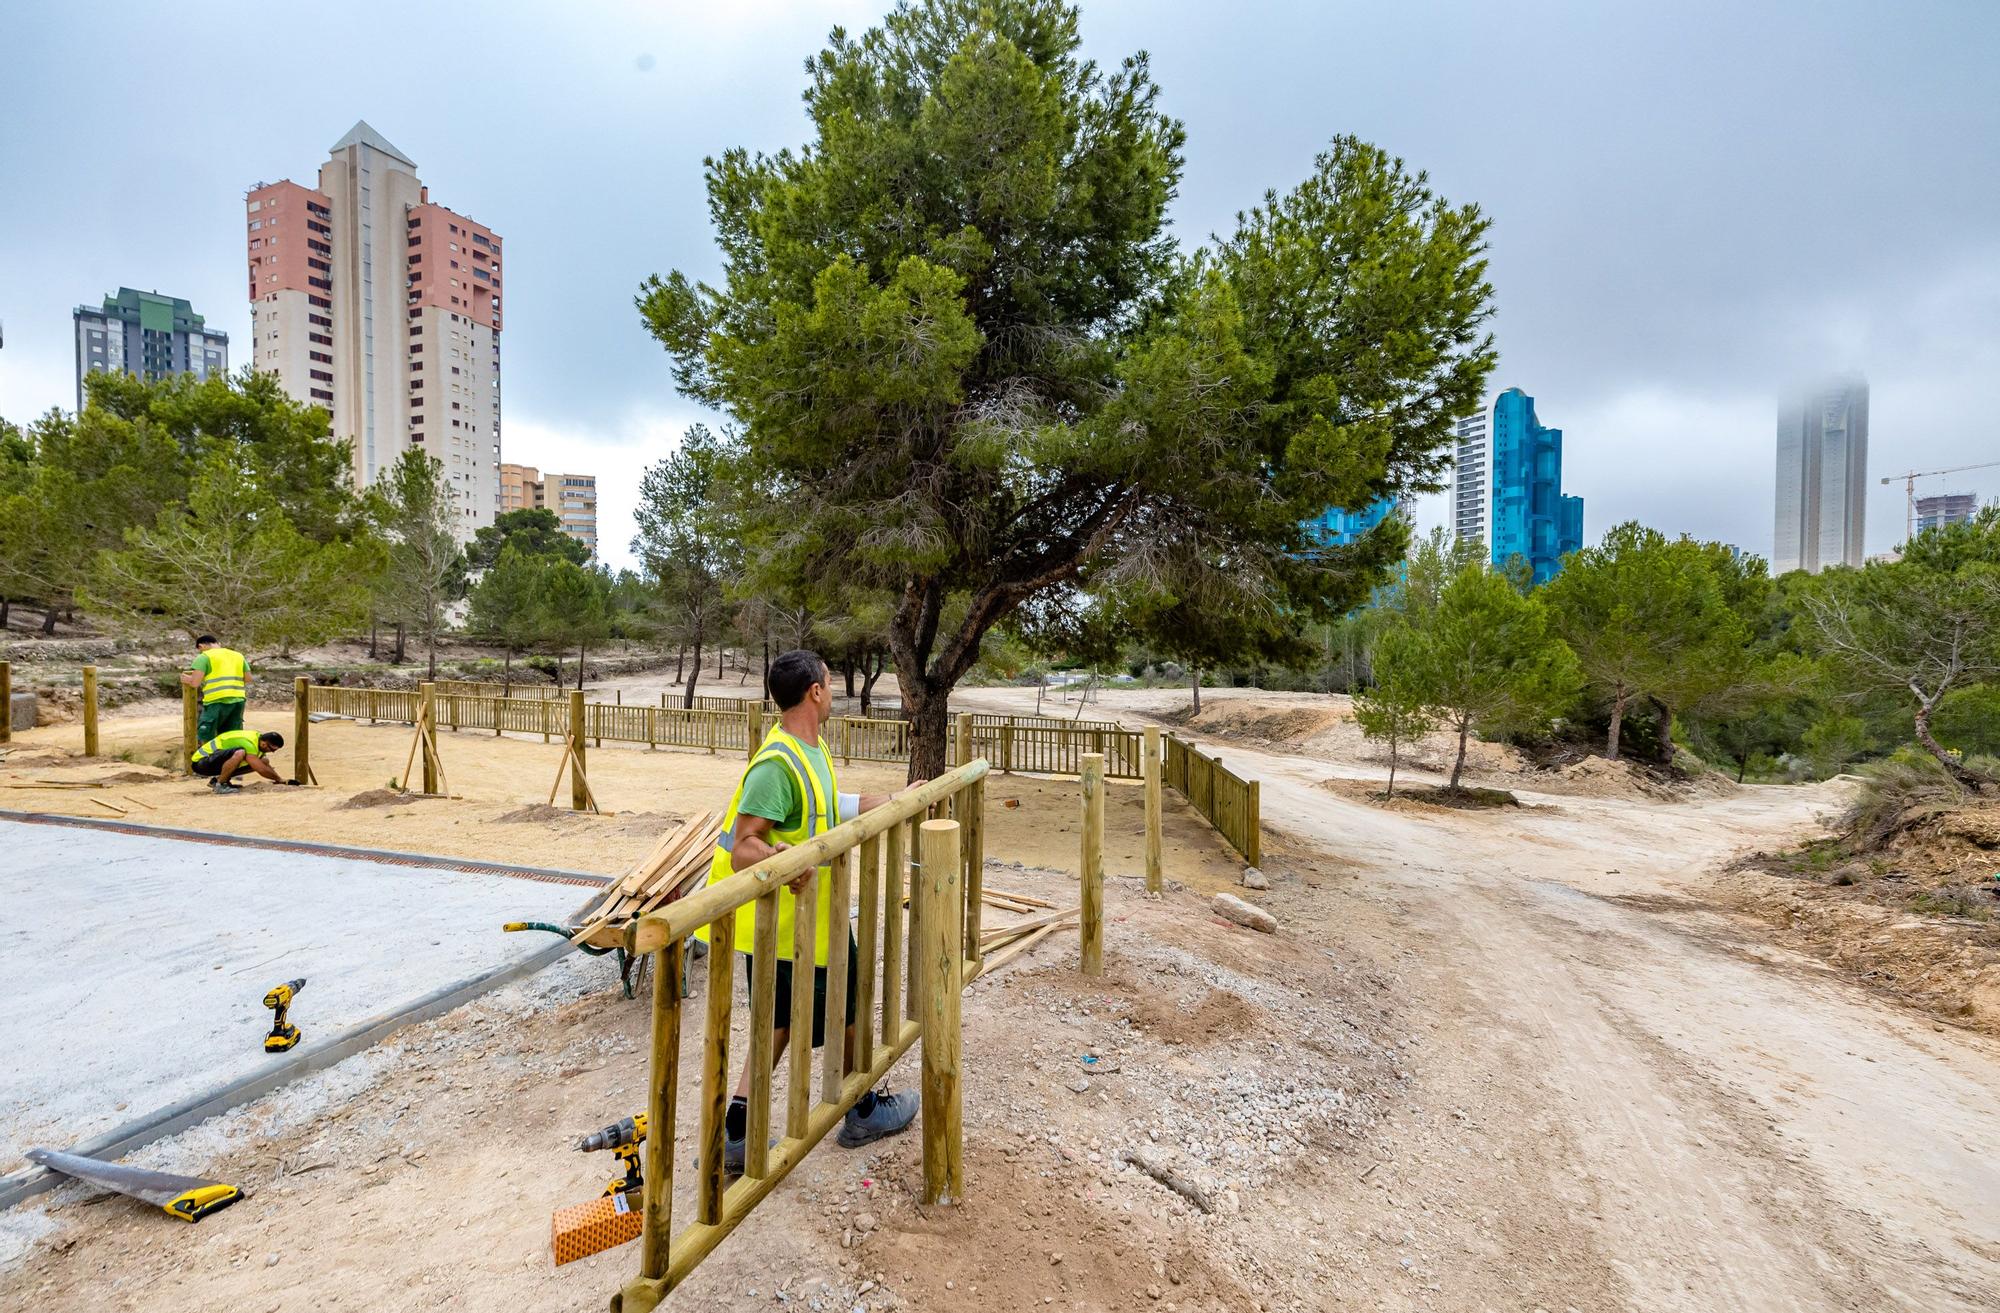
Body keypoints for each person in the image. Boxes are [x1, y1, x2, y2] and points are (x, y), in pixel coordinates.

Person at [700, 649, 924, 1172]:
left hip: (812, 922)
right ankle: (862, 1109)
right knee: (823, 1012)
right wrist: (778, 859)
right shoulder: (775, 764)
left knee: (781, 1021)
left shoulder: (812, 750)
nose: (834, 693)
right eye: (830, 683)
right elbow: (744, 847)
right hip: (786, 927)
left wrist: (895, 799)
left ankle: (737, 1130)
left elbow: (829, 804)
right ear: (816, 692)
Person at [182, 635, 249, 743]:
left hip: (216, 701)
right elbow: (248, 678)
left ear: (201, 646)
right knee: (232, 737)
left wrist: (188, 679)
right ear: (218, 643)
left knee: (205, 735)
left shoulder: (204, 657)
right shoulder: (238, 655)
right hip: (238, 700)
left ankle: (206, 758)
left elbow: (195, 683)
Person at [190, 729, 289, 793]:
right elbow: (261, 769)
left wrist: (281, 780)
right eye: (272, 749)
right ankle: (221, 785)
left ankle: (217, 781)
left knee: (263, 760)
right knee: (240, 753)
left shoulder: (258, 741)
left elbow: (264, 765)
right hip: (201, 763)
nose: (272, 752)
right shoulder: (249, 743)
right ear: (264, 744)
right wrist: (279, 779)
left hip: (213, 763)